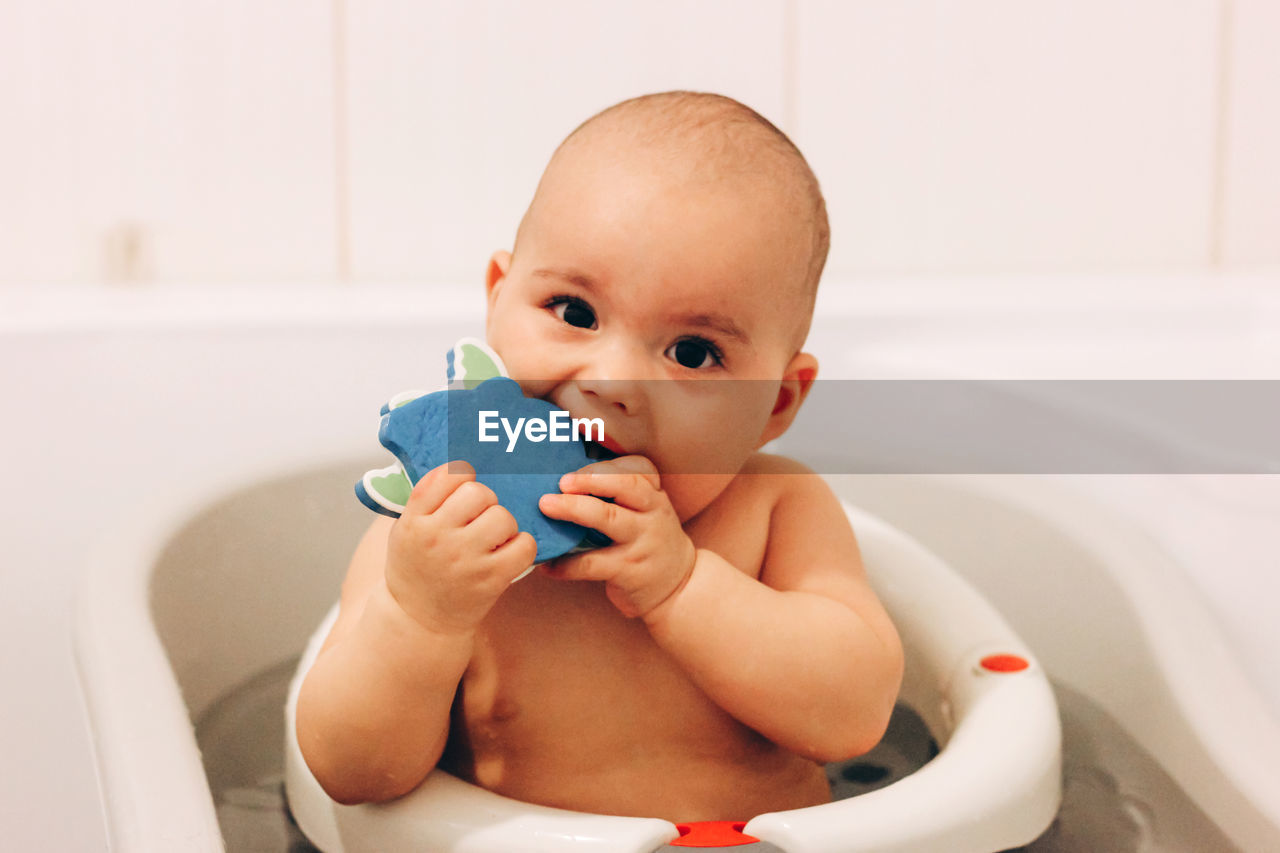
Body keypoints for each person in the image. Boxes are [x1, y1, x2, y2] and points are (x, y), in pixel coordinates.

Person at [295, 91, 903, 823]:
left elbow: (854, 711)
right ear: (499, 298)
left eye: (692, 352)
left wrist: (681, 585)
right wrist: (422, 617)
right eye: (574, 312)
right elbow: (349, 769)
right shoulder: (441, 527)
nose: (612, 381)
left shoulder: (777, 511)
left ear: (776, 402)